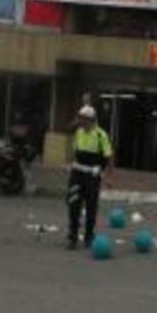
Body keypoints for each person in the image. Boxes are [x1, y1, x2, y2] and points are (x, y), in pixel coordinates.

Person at [65, 106, 113, 250]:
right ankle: (73, 236)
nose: (80, 122)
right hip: (77, 174)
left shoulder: (101, 135)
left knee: (91, 207)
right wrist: (71, 164)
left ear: (91, 120)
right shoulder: (79, 132)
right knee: (74, 205)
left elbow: (109, 157)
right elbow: (75, 150)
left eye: (83, 119)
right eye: (80, 119)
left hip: (92, 176)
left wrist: (109, 177)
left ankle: (88, 237)